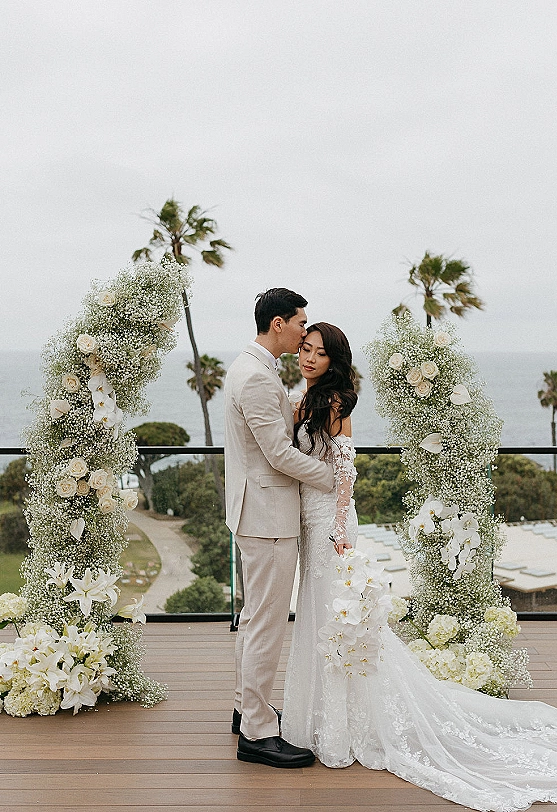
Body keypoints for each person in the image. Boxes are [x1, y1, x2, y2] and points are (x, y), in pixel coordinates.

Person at [282, 322, 557, 812]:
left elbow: (345, 471)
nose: (308, 358)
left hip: (331, 525)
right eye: (305, 349)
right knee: (317, 616)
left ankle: (342, 725)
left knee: (337, 618)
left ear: (335, 361)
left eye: (319, 353)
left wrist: (338, 529)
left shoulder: (333, 402)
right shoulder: (306, 397)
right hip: (310, 521)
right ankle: (318, 718)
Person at [224, 288, 335, 768]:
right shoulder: (255, 377)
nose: (302, 331)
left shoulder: (255, 368)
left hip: (258, 512)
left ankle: (246, 707)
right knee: (267, 624)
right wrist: (332, 476)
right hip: (268, 516)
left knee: (254, 619)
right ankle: (257, 731)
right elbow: (278, 454)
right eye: (299, 323)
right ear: (278, 324)